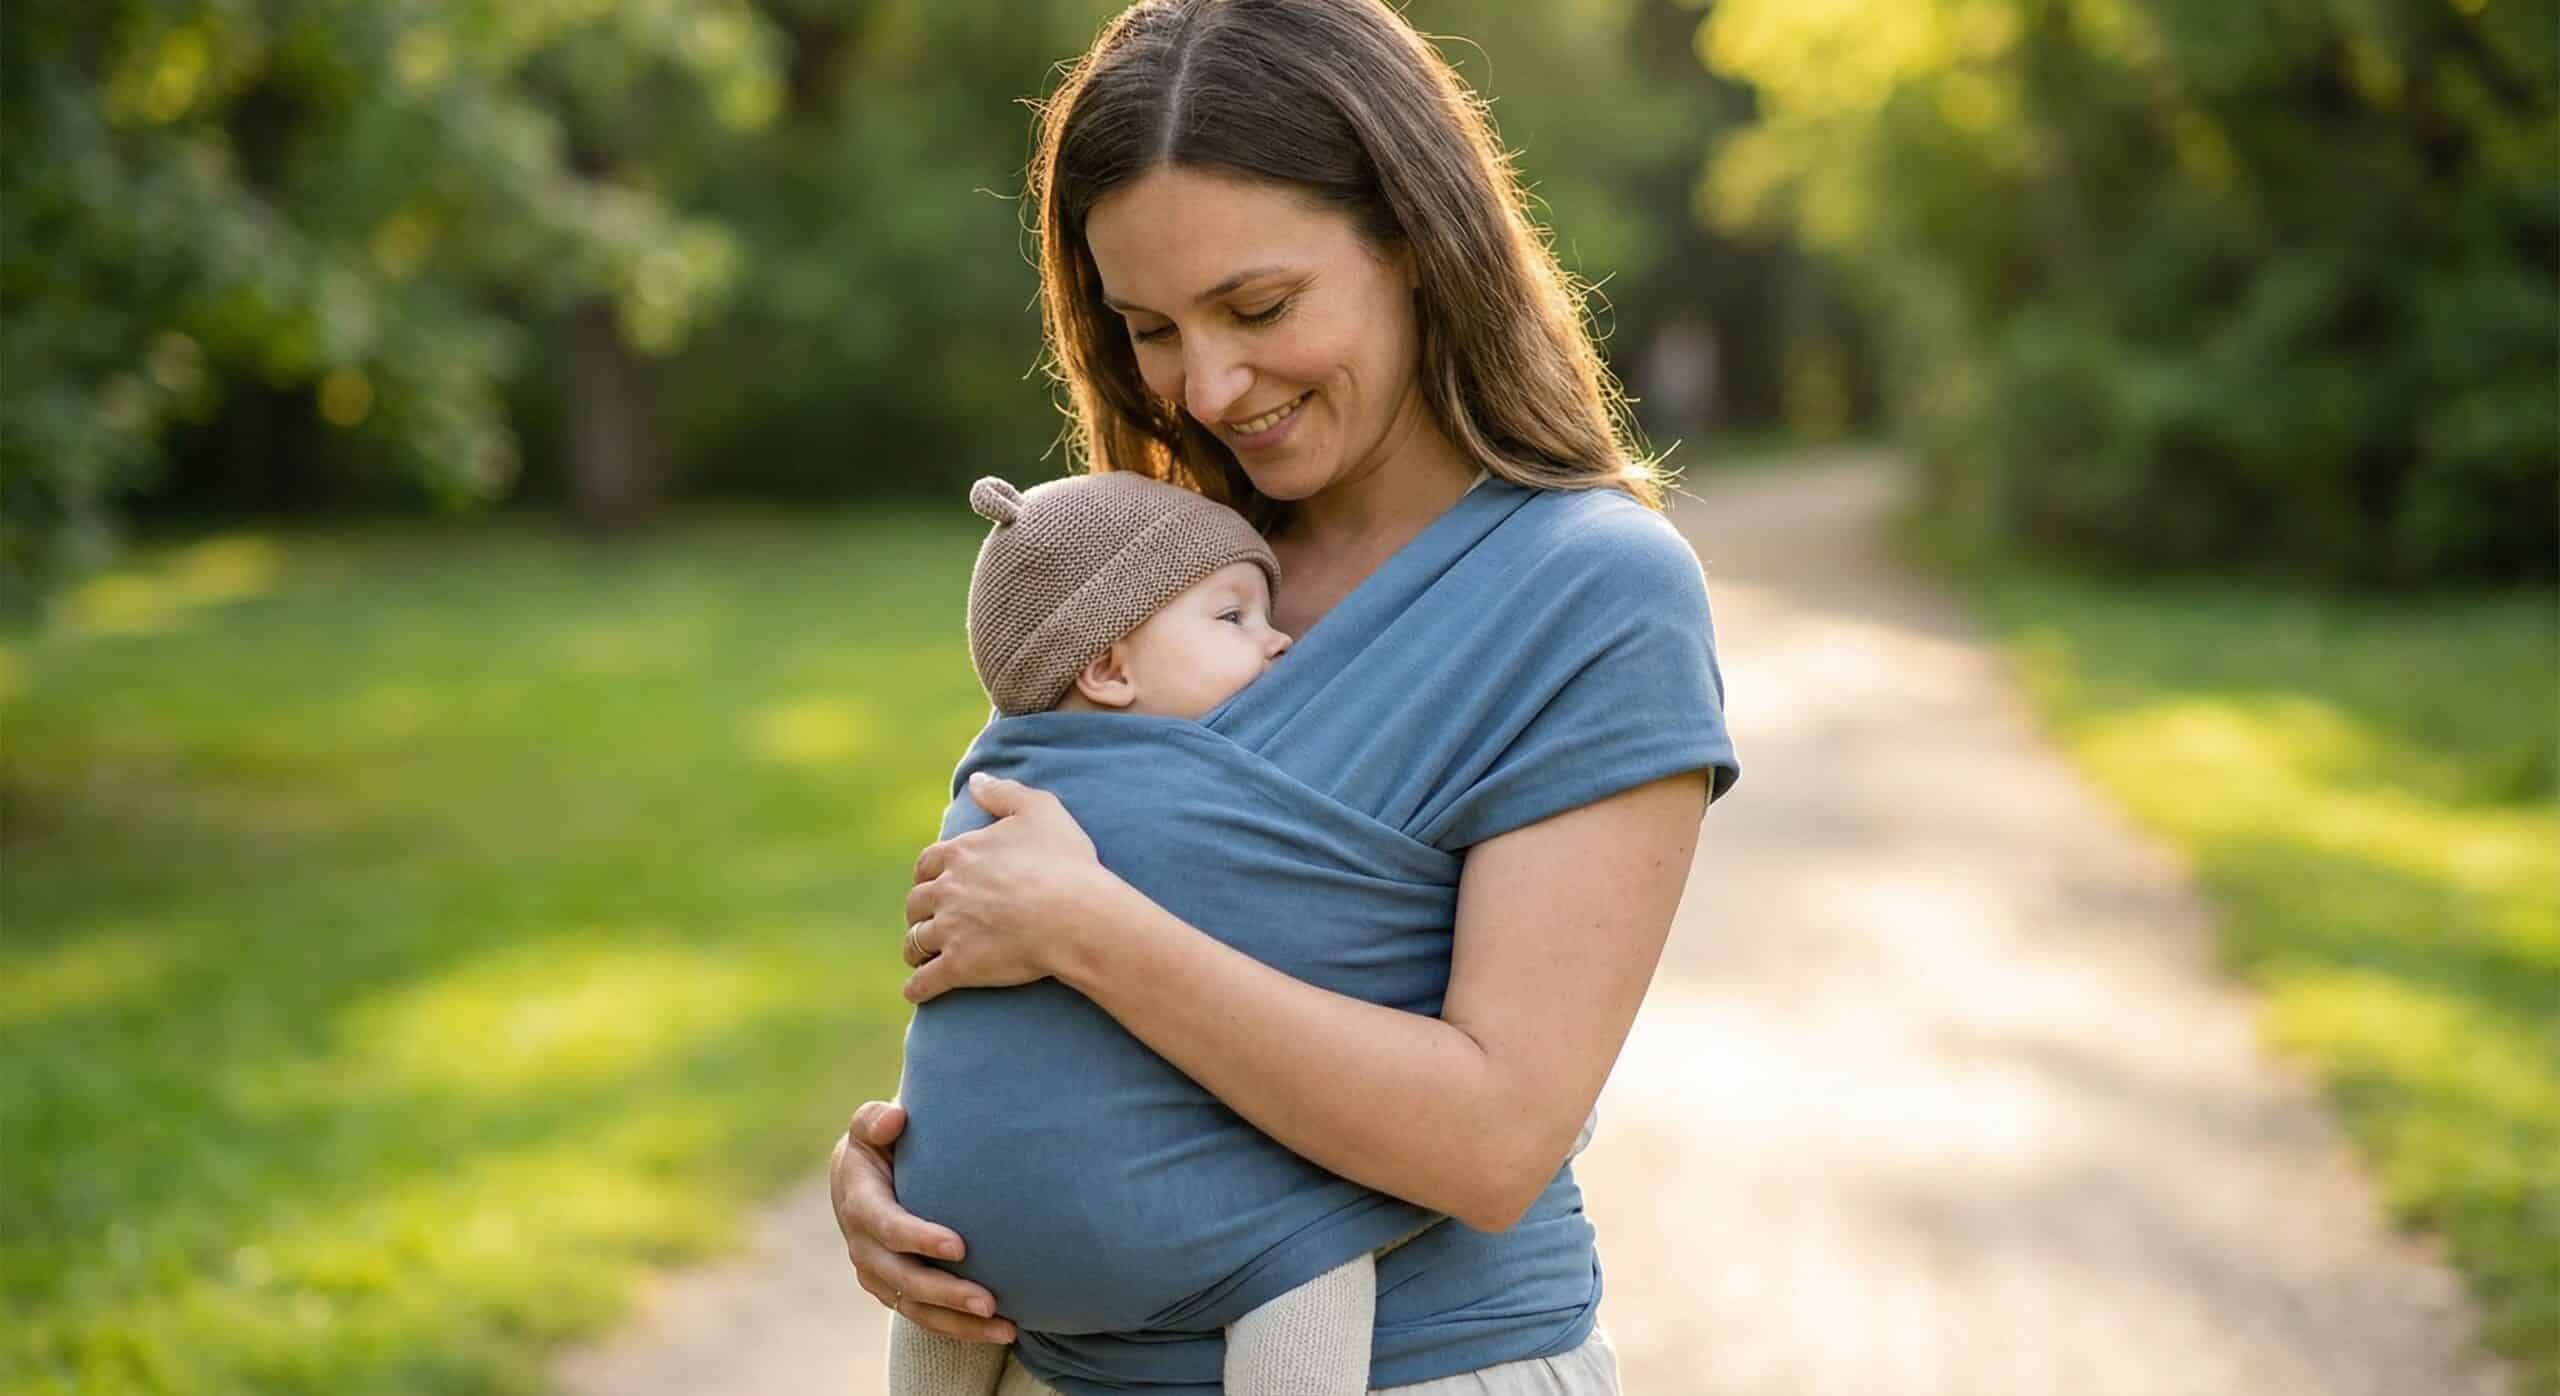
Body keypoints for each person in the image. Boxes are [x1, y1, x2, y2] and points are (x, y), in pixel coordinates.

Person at [832, 2, 1741, 1392]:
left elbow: (1495, 1140)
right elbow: (1030, 975)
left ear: (1417, 246)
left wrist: (1090, 931)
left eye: (1258, 309)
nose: (1208, 384)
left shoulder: (1589, 592)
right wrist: (913, 1172)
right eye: (1148, 327)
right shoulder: (1157, 576)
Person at [893, 470, 1557, 1394]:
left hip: (951, 1241)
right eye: (1232, 617)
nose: (1281, 640)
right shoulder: (1219, 802)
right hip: (1199, 1248)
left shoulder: (990, 790)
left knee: (946, 1308)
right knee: (1310, 1258)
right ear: (1110, 668)